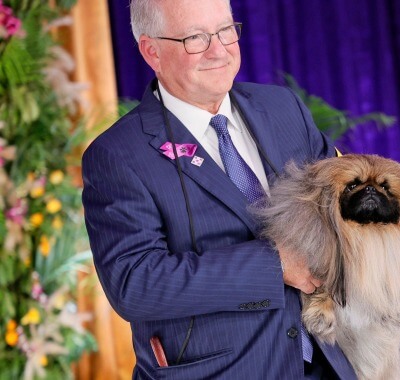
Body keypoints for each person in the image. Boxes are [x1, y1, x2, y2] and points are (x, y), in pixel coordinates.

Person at [81, 0, 355, 378]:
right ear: (151, 51)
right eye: (195, 37)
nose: (218, 49)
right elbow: (135, 282)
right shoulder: (118, 155)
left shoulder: (282, 106)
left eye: (226, 30)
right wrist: (274, 265)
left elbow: (342, 199)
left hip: (329, 363)